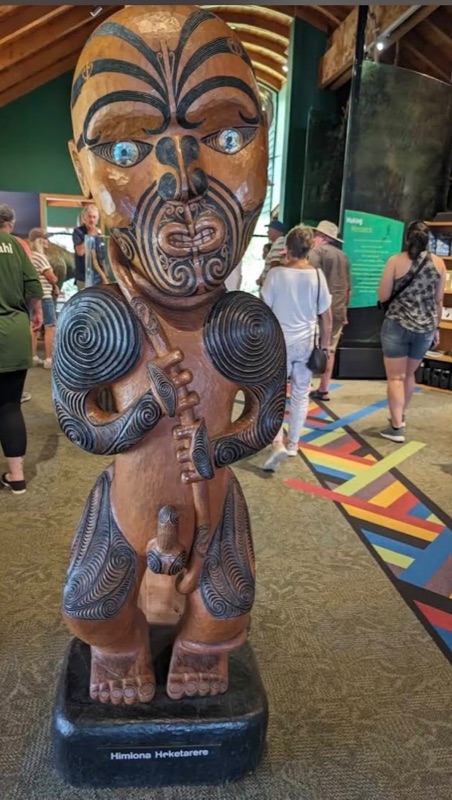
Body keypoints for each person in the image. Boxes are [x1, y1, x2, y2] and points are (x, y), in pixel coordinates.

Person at [261, 225, 332, 471]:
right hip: (306, 343)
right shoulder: (317, 276)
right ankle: (293, 444)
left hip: (279, 343)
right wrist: (325, 346)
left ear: (288, 249)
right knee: (301, 393)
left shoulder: (276, 274)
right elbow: (326, 316)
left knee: (276, 393)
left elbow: (264, 309)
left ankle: (276, 442)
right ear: (309, 249)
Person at [378, 220, 446, 443]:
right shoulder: (439, 264)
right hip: (425, 328)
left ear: (407, 238)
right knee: (409, 375)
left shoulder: (395, 261)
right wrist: (436, 327)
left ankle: (396, 427)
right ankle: (401, 416)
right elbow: (438, 300)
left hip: (397, 324)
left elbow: (383, 295)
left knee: (395, 377)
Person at [0, 205, 43, 494]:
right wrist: (37, 312)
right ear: (10, 224)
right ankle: (16, 477)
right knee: (10, 406)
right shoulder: (16, 245)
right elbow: (33, 286)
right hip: (14, 332)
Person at [308, 220, 351, 401]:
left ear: (322, 237)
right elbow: (348, 288)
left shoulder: (316, 253)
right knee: (329, 349)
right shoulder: (344, 256)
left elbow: (310, 280)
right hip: (338, 309)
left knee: (309, 347)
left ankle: (306, 384)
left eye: (315, 235)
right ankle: (324, 388)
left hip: (318, 310)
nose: (313, 238)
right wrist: (344, 311)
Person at [29, 228, 59, 369]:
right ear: (39, 241)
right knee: (50, 327)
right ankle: (49, 359)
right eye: (45, 239)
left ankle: (33, 357)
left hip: (32, 297)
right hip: (45, 297)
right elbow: (52, 277)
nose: (48, 242)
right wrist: (55, 281)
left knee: (34, 326)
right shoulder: (41, 257)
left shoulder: (29, 257)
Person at [72, 204, 101, 290]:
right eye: (89, 217)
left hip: (98, 278)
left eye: (94, 217)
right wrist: (90, 235)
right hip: (83, 277)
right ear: (84, 218)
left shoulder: (100, 235)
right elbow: (80, 252)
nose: (92, 220)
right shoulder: (78, 232)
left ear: (97, 220)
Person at [256, 219, 287, 288]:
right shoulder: (276, 243)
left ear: (276, 231)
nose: (267, 232)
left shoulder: (280, 242)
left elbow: (275, 264)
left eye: (269, 230)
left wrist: (268, 283)